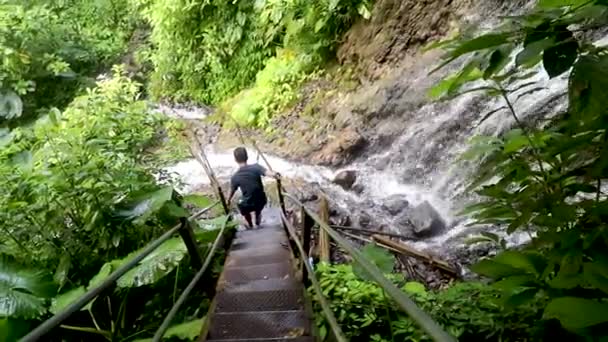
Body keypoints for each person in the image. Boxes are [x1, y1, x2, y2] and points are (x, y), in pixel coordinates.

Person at [227, 147, 280, 229]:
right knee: (258, 201)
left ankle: (250, 223)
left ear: (235, 160)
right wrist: (275, 174)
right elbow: (268, 173)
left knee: (240, 203)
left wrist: (228, 201)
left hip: (247, 204)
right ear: (247, 157)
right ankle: (258, 215)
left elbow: (231, 192)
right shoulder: (256, 167)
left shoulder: (235, 176)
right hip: (261, 201)